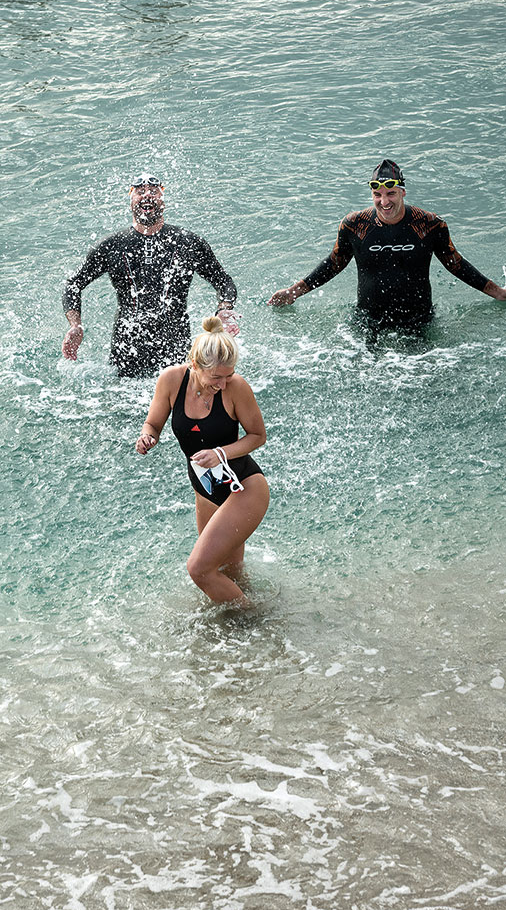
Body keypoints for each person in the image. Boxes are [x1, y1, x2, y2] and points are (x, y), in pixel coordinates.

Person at [268, 159, 506, 332]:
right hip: (367, 319)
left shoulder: (429, 224)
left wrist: (498, 293)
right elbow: (333, 264)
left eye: (391, 194)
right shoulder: (354, 225)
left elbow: (456, 265)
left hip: (418, 319)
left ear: (402, 192)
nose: (384, 202)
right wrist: (293, 292)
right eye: (378, 196)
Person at [136, 317, 269, 607]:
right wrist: (147, 437)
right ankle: (243, 641)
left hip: (243, 488)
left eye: (228, 376)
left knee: (199, 569)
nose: (222, 384)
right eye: (216, 378)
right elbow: (153, 423)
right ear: (195, 365)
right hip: (205, 490)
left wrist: (220, 453)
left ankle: (255, 620)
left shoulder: (236, 388)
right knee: (227, 572)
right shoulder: (171, 380)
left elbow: (258, 436)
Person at [62, 174, 238, 377]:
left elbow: (223, 281)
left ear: (163, 201)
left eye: (154, 191)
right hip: (126, 352)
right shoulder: (112, 246)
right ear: (131, 201)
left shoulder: (188, 242)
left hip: (175, 349)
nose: (147, 195)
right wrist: (75, 325)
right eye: (140, 192)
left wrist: (224, 311)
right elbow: (73, 284)